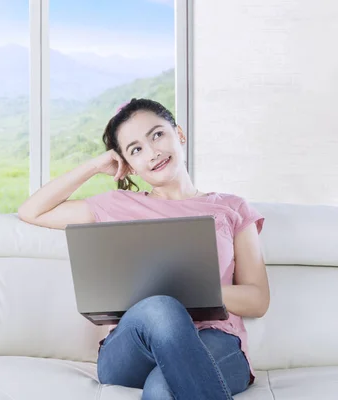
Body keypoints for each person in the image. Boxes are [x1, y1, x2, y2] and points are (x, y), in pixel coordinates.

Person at [17, 98, 270, 399]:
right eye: (135, 149)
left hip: (215, 342)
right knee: (159, 307)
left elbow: (257, 299)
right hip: (132, 348)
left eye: (157, 135)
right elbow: (32, 211)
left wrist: (186, 291)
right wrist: (95, 165)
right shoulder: (116, 206)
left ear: (179, 134)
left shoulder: (232, 207)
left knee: (163, 388)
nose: (152, 152)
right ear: (128, 165)